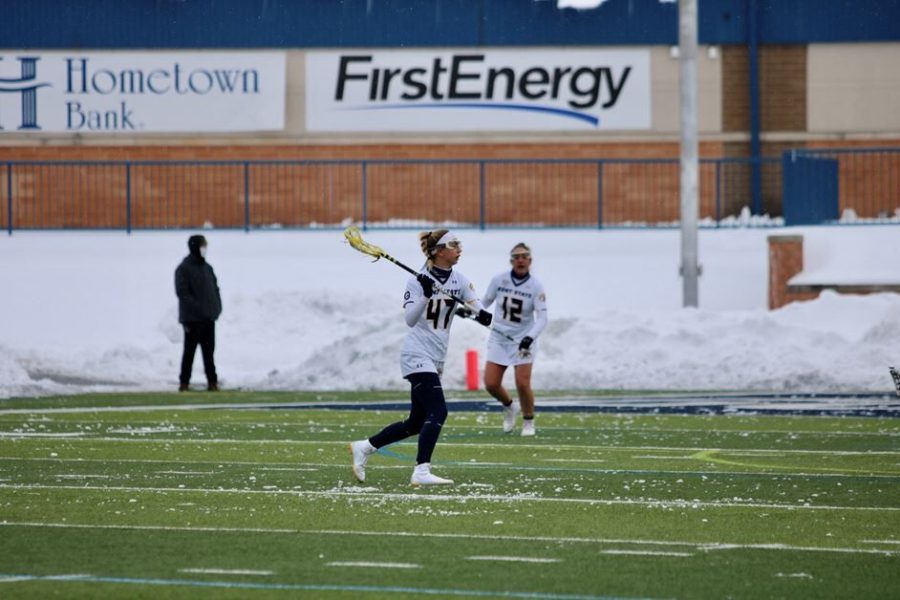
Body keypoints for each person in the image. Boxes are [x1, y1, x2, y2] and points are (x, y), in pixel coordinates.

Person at [350, 230, 491, 486]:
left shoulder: (459, 279)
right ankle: (421, 471)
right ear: (439, 251)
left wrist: (481, 315)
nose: (459, 249)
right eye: (453, 245)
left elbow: (475, 306)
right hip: (417, 353)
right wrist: (426, 294)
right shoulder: (417, 281)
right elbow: (410, 319)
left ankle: (365, 446)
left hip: (437, 357)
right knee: (438, 411)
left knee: (416, 422)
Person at [481, 243, 548, 436]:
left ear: (530, 260)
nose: (520, 260)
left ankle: (528, 421)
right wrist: (471, 310)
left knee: (522, 383)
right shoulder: (499, 280)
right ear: (511, 261)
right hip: (500, 337)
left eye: (524, 256)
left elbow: (542, 317)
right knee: (491, 383)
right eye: (516, 257)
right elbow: (484, 302)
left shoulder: (536, 286)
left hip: (522, 340)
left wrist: (529, 337)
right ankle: (510, 406)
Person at [175, 234, 222, 392]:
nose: (205, 249)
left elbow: (215, 290)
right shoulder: (183, 269)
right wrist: (198, 310)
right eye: (202, 246)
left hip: (208, 319)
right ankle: (184, 382)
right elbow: (183, 294)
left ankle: (212, 381)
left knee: (209, 353)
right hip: (192, 320)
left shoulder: (207, 268)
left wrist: (216, 308)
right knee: (189, 352)